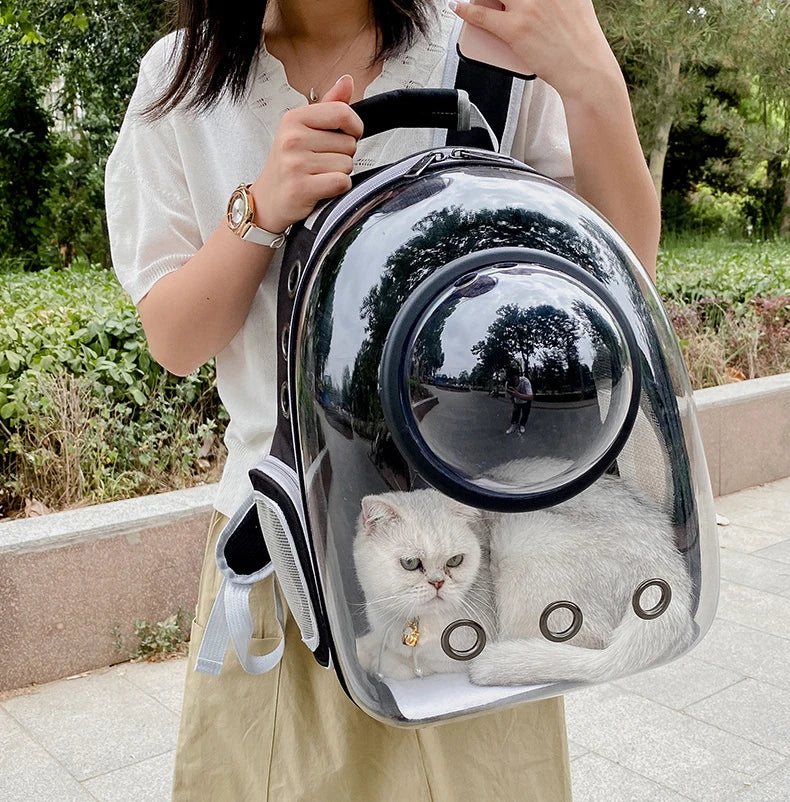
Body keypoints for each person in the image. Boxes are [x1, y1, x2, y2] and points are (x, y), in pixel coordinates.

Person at [105, 0, 660, 797]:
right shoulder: (181, 78)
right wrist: (260, 209)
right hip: (286, 563)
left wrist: (593, 79)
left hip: (474, 576)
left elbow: (623, 277)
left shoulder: (492, 40)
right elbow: (175, 341)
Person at [505, 366, 534, 434]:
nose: (513, 381)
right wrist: (513, 399)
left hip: (526, 401)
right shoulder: (508, 384)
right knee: (515, 413)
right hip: (517, 401)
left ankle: (522, 425)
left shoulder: (525, 381)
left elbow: (531, 397)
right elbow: (509, 396)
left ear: (518, 376)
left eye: (514, 379)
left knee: (525, 414)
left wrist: (518, 395)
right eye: (511, 379)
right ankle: (513, 425)